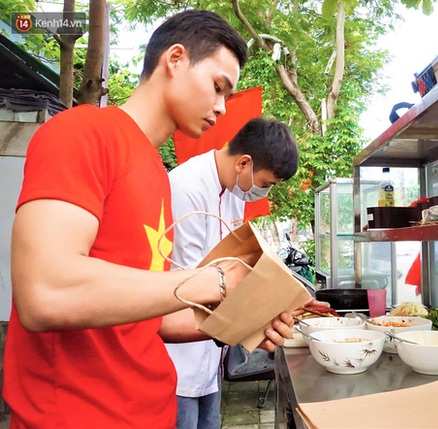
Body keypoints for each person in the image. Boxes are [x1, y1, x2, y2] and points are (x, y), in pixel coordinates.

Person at [3, 10, 296, 428]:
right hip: (78, 416)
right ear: (174, 59)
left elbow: (152, 316)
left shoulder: (156, 174)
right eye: (217, 87)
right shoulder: (83, 132)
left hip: (149, 408)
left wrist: (246, 317)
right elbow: (45, 290)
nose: (220, 107)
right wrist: (214, 280)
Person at [165, 117, 299, 429]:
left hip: (210, 354)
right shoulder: (187, 187)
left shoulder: (234, 192)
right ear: (244, 163)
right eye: (265, 184)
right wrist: (253, 319)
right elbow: (189, 287)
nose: (263, 192)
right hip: (179, 355)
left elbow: (232, 265)